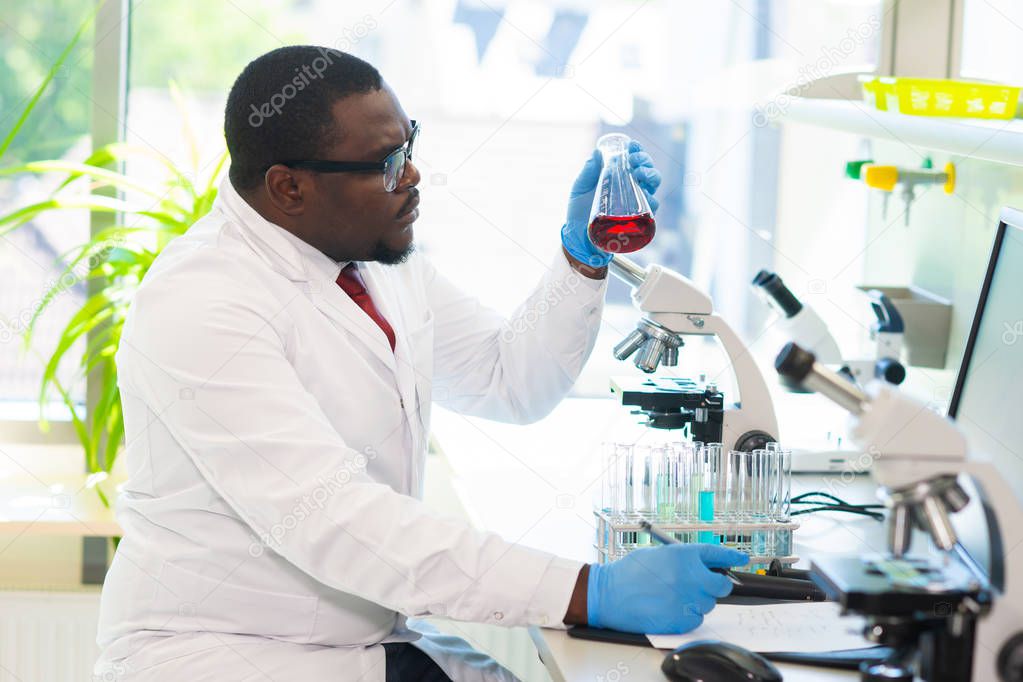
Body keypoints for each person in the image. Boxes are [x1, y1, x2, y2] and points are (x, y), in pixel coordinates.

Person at [94, 45, 748, 682]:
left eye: (408, 147)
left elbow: (510, 382)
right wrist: (584, 590)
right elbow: (332, 518)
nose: (411, 178)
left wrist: (582, 259)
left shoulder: (370, 260)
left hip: (356, 638)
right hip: (229, 654)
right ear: (287, 187)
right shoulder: (202, 301)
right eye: (384, 164)